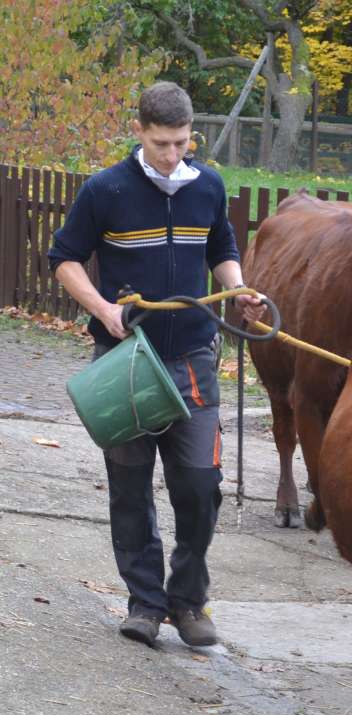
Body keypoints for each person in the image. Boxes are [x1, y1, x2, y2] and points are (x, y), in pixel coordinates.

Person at [49, 81, 265, 650]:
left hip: (193, 357)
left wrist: (237, 292)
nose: (173, 155)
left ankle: (188, 600)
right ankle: (145, 603)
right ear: (139, 132)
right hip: (125, 360)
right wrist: (101, 309)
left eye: (182, 143)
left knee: (200, 486)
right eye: (162, 143)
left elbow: (221, 248)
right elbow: (65, 259)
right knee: (129, 485)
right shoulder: (106, 189)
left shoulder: (208, 186)